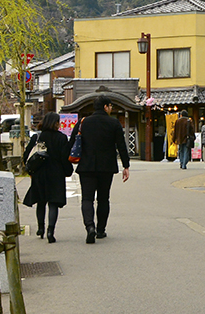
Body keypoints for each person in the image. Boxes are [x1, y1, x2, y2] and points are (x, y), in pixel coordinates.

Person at [76, 96, 130, 243]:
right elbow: (121, 145)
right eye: (111, 106)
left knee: (87, 199)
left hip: (86, 166)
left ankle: (89, 227)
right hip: (106, 167)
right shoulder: (113, 123)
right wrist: (126, 165)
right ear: (106, 107)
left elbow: (73, 142)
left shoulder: (84, 122)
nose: (111, 109)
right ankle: (100, 230)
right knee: (103, 199)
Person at [23, 112, 74, 243]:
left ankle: (40, 228)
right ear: (55, 123)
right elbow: (65, 157)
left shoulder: (37, 137)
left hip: (39, 173)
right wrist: (68, 171)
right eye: (58, 122)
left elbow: (27, 155)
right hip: (56, 173)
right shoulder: (61, 138)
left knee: (41, 201)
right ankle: (51, 230)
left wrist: (30, 170)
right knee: (53, 203)